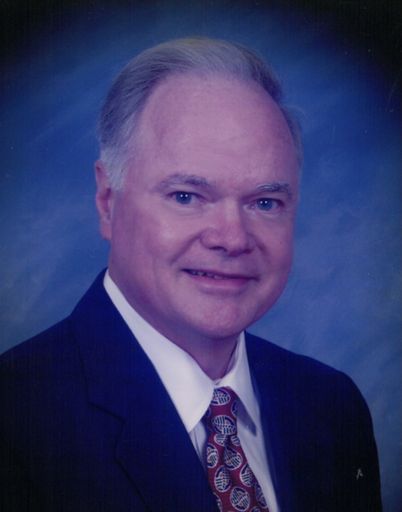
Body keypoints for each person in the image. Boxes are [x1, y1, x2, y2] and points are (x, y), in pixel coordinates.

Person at [0, 37, 382, 512]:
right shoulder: (16, 417)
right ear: (108, 201)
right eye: (186, 196)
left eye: (265, 202)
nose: (232, 238)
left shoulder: (332, 406)